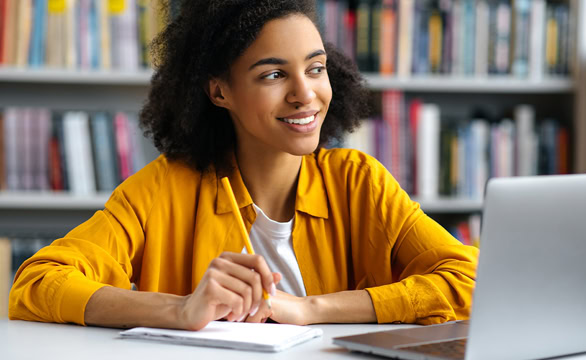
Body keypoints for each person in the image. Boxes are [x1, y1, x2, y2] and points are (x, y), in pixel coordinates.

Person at [9, 0, 478, 331]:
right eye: (274, 75)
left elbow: (471, 281)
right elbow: (38, 283)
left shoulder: (360, 182)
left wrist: (315, 308)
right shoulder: (163, 189)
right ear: (219, 92)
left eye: (315, 69)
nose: (304, 94)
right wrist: (180, 310)